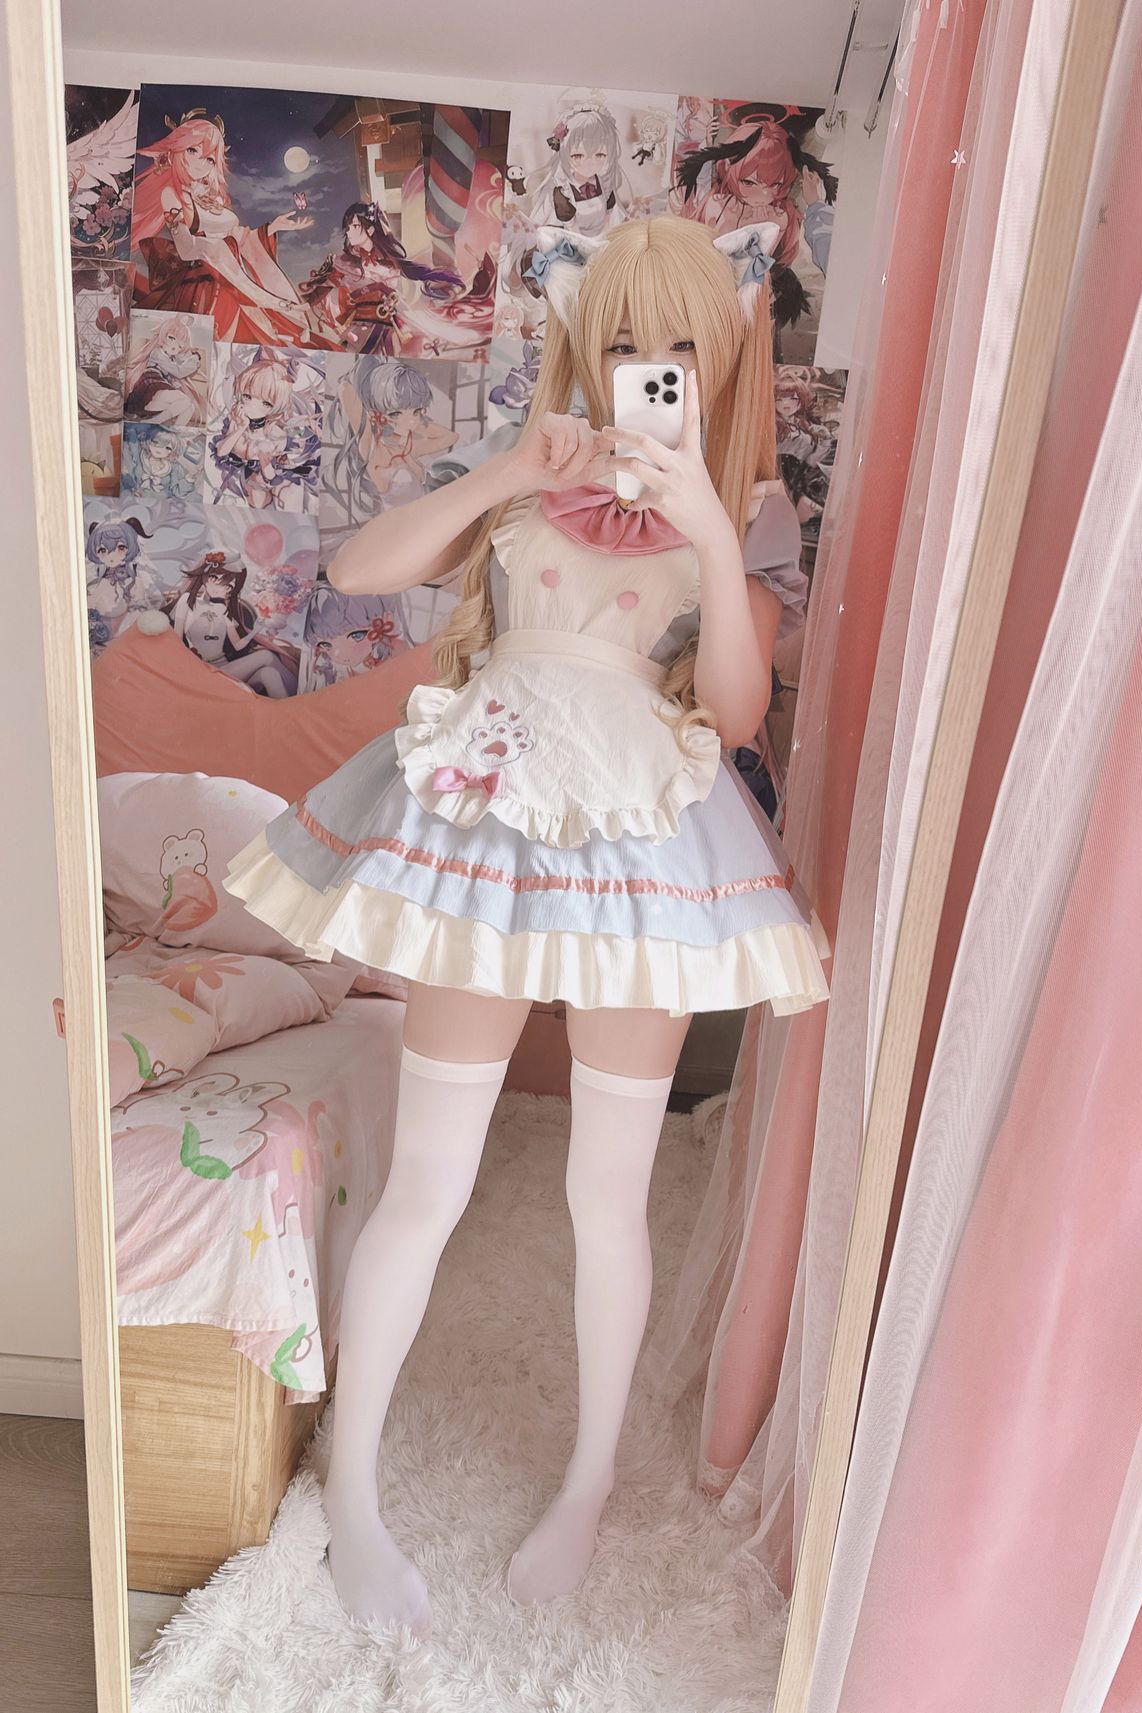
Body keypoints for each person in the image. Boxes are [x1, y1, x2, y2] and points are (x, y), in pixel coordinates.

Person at [223, 213, 831, 1635]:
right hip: (485, 820)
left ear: (720, 353)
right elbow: (362, 571)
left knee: (607, 1192)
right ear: (583, 345)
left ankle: (587, 1482)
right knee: (428, 1180)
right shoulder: (523, 466)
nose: (649, 367)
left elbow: (736, 713)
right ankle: (353, 1490)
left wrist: (706, 529)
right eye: (621, 340)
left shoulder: (748, 511)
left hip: (641, 841)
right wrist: (514, 468)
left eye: (678, 344)